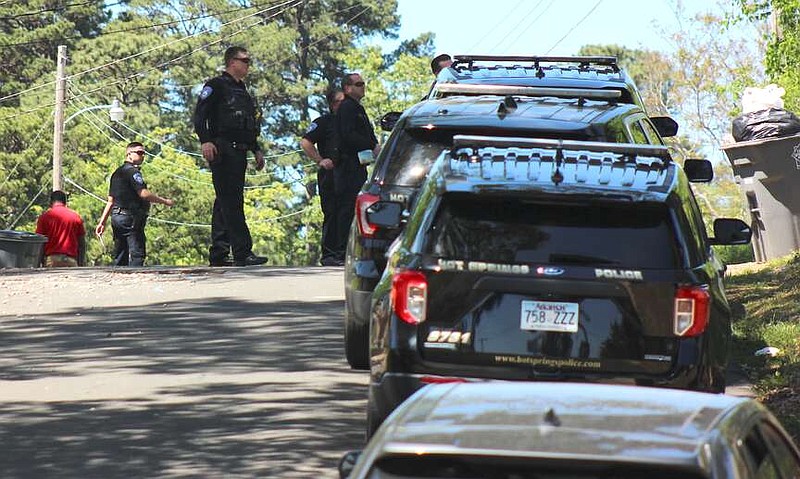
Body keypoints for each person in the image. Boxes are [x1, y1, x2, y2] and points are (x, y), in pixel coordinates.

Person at [193, 46, 268, 267]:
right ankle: (242, 252)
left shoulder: (242, 90)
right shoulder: (215, 85)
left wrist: (256, 148)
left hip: (240, 149)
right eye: (244, 60)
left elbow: (248, 123)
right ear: (232, 62)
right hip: (222, 148)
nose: (248, 65)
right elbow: (200, 115)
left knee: (224, 200)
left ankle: (219, 251)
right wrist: (206, 140)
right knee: (231, 200)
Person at [95, 142, 175, 266]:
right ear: (129, 154)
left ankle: (119, 279)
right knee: (137, 253)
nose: (142, 155)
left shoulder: (116, 173)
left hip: (117, 217)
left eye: (144, 153)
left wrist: (102, 222)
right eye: (139, 152)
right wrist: (164, 201)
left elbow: (110, 201)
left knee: (120, 254)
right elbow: (143, 193)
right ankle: (135, 279)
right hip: (130, 218)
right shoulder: (133, 172)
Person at [334, 73, 379, 257]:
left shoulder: (357, 108)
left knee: (355, 205)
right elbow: (348, 135)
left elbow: (367, 132)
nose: (363, 86)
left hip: (358, 165)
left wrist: (375, 145)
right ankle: (341, 250)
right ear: (348, 88)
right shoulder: (347, 108)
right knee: (347, 206)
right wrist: (369, 145)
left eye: (363, 83)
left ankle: (350, 248)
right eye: (359, 84)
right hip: (347, 165)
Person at [301, 89, 346, 266]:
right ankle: (330, 254)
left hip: (351, 174)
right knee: (332, 213)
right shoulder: (324, 122)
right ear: (333, 104)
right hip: (331, 174)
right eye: (341, 102)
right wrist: (320, 160)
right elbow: (306, 142)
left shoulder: (356, 123)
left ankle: (345, 253)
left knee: (348, 213)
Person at [35, 190, 86, 267]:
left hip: (51, 260)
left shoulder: (44, 218)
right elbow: (81, 244)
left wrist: (38, 264)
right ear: (65, 202)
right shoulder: (75, 217)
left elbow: (39, 243)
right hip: (71, 260)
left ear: (51, 202)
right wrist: (81, 264)